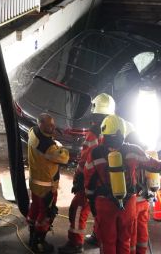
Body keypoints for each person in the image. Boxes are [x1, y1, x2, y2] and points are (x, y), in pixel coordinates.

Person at [83, 115, 161, 254]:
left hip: (104, 204)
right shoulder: (134, 150)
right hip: (128, 203)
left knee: (107, 242)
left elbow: (88, 179)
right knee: (125, 241)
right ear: (122, 132)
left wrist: (92, 202)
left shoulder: (94, 153)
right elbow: (156, 166)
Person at [58, 93, 116, 254]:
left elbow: (85, 160)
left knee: (78, 209)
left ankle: (75, 243)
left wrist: (78, 178)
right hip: (107, 182)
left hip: (90, 180)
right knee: (100, 209)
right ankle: (98, 237)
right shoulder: (114, 130)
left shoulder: (93, 134)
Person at [27, 113, 70, 253]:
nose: (53, 126)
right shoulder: (49, 147)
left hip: (34, 183)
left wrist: (51, 137)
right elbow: (63, 158)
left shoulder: (32, 132)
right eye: (49, 125)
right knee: (46, 214)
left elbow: (40, 136)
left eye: (53, 124)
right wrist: (61, 146)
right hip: (46, 187)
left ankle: (31, 234)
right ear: (41, 124)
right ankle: (38, 243)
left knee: (34, 208)